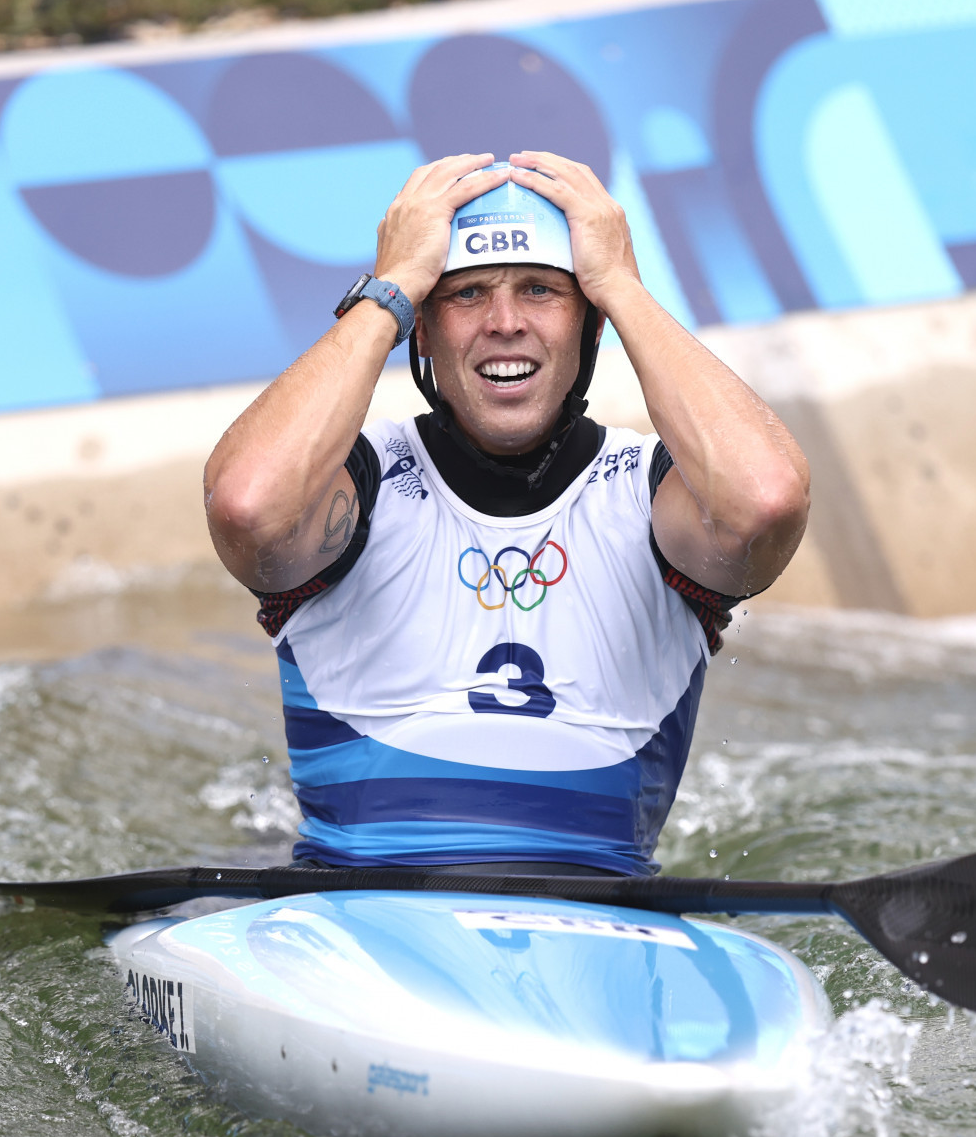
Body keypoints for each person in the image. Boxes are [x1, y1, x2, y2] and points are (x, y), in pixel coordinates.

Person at [204, 151, 808, 876]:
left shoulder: (657, 497)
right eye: (465, 295)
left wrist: (621, 285)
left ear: (590, 328)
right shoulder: (352, 486)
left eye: (540, 290)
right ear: (420, 331)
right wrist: (391, 288)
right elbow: (245, 506)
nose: (505, 322)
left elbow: (767, 500)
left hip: (602, 924)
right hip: (350, 924)